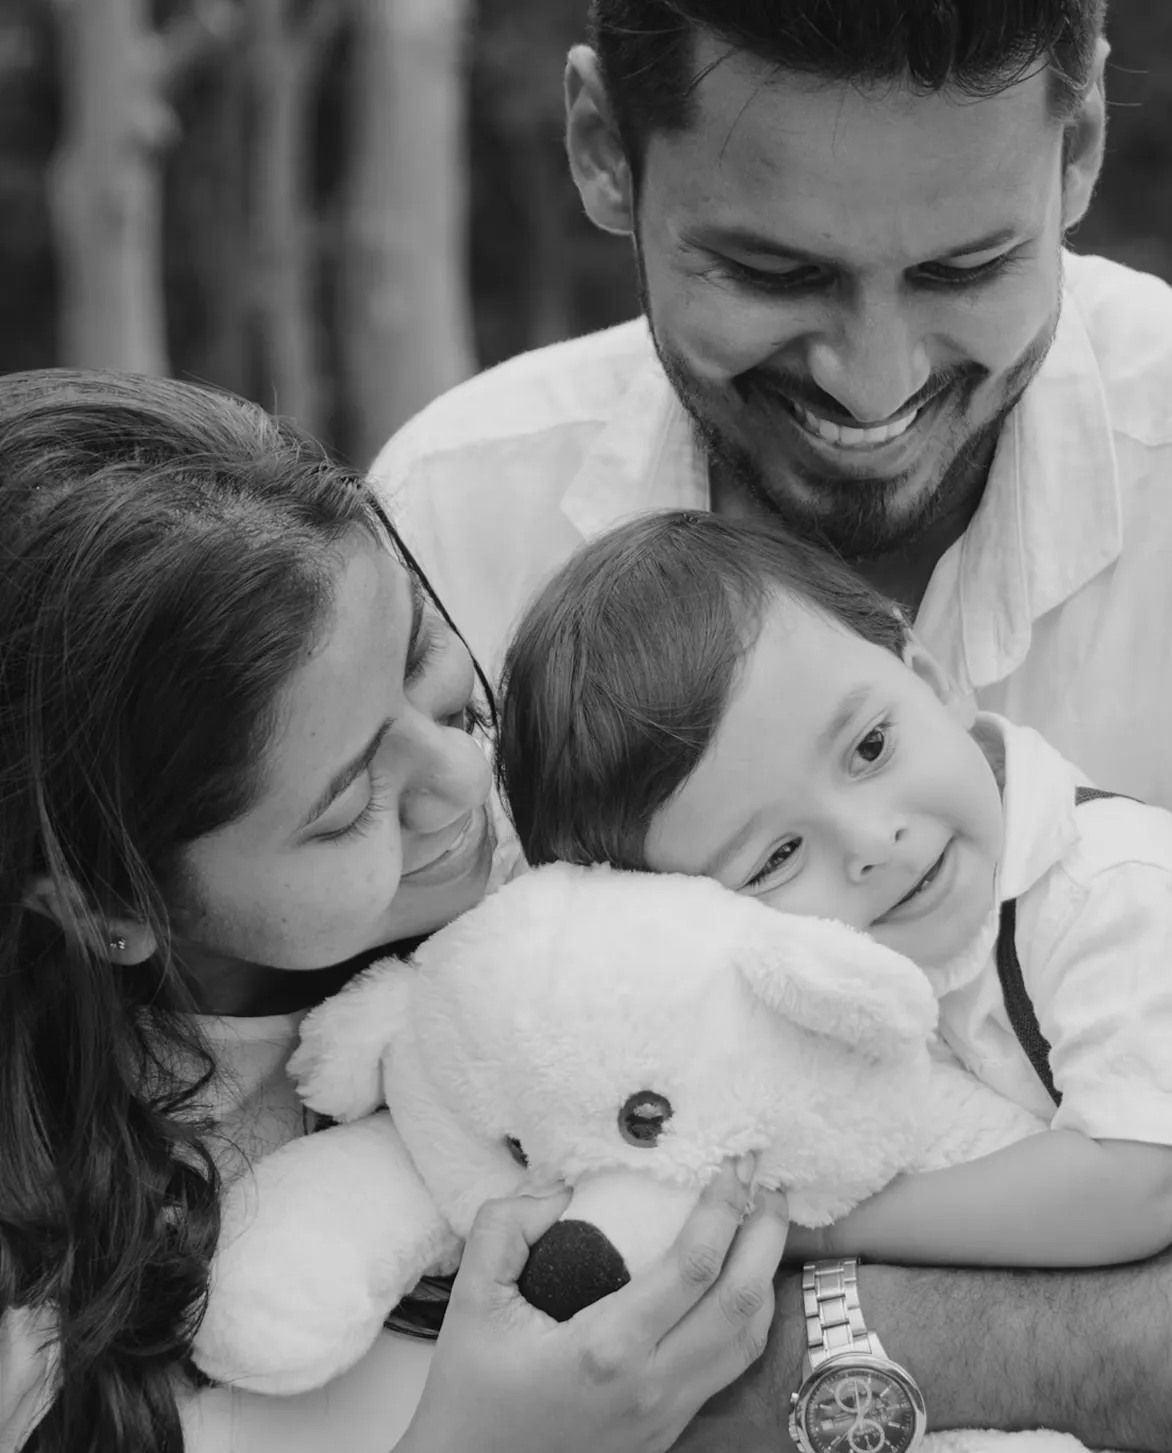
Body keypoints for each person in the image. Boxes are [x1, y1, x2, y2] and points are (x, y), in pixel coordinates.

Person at [368, 2, 1172, 1445]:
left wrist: (763, 1357)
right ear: (605, 148)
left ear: (1083, 146)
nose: (876, 381)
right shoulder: (451, 532)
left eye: (969, 267)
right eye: (771, 271)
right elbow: (414, 1204)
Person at [0, 368, 791, 1453]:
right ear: (104, 904)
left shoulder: (602, 877)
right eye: (344, 806)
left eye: (427, 671)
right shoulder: (37, 1288)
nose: (464, 781)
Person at [499, 507, 1172, 1271]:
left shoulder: (1112, 888)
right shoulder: (769, 1002)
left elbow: (1139, 1177)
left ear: (930, 678)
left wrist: (822, 1229)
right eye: (779, 854)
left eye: (870, 747)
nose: (870, 842)